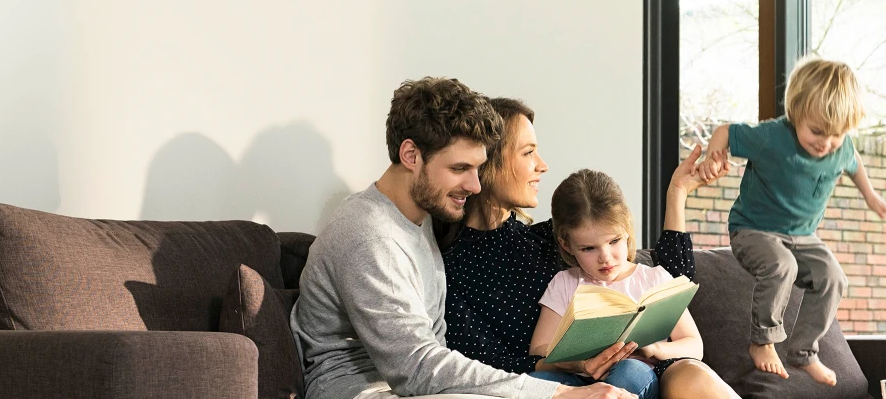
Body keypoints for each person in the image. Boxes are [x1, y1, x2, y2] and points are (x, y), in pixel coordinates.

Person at [293, 78, 641, 399]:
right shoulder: (367, 234)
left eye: (477, 169)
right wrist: (557, 394)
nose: (475, 186)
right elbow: (414, 368)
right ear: (411, 156)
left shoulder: (420, 221)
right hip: (364, 390)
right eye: (460, 169)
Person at [438, 98, 729, 397]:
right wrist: (571, 365)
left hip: (629, 376)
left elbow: (671, 282)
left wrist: (677, 193)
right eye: (528, 152)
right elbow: (481, 363)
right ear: (488, 161)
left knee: (659, 376)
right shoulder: (448, 265)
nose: (542, 165)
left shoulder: (544, 239)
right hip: (549, 385)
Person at [697, 58, 886, 386]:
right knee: (782, 266)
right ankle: (762, 342)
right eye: (817, 131)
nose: (826, 143)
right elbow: (724, 133)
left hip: (803, 236)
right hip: (753, 229)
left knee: (833, 279)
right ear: (796, 112)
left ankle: (803, 353)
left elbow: (853, 160)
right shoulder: (772, 137)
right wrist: (712, 157)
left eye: (835, 135)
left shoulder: (839, 145)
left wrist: (871, 197)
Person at [529, 169, 738, 399]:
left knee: (629, 371)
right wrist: (578, 361)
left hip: (636, 378)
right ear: (567, 245)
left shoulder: (654, 279)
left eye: (614, 241)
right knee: (537, 382)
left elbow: (694, 345)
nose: (605, 257)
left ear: (627, 231)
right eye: (588, 248)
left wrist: (655, 349)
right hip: (581, 380)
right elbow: (538, 350)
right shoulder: (565, 283)